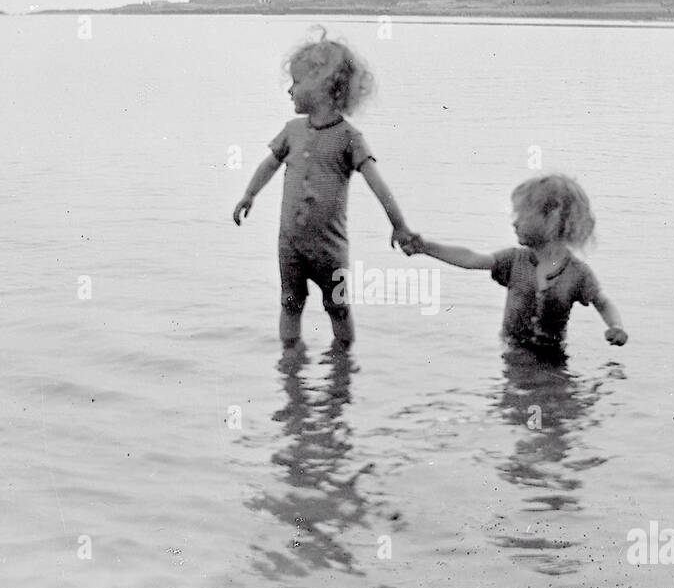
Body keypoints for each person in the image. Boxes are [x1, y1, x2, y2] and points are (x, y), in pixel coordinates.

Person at [233, 30, 415, 349]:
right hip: (290, 244)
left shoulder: (348, 137)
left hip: (330, 248)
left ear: (323, 86)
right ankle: (290, 368)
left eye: (296, 82)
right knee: (290, 302)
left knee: (338, 308)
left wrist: (399, 226)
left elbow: (377, 184)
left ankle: (342, 368)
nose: (290, 90)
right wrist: (249, 194)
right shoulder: (292, 131)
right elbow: (269, 165)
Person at [403, 174, 627, 355]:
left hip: (553, 360)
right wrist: (426, 248)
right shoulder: (514, 260)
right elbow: (471, 259)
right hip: (512, 354)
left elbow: (603, 302)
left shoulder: (577, 273)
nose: (514, 221)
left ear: (552, 217)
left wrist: (616, 327)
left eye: (522, 215)